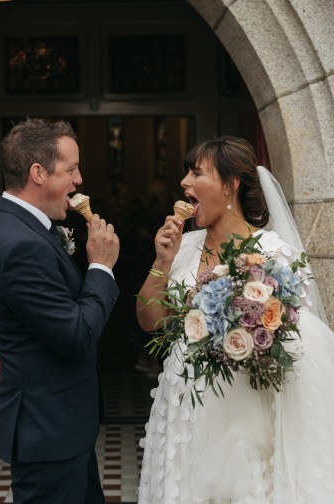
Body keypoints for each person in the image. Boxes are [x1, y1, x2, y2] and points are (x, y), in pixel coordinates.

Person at [136, 136, 334, 503]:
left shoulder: (274, 254)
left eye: (196, 173)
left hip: (243, 417)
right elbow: (150, 322)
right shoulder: (184, 247)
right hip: (182, 408)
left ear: (230, 185)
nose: (184, 183)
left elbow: (300, 351)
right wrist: (162, 261)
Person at [0, 118, 120, 504]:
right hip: (48, 432)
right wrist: (101, 267)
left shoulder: (26, 228)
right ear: (38, 172)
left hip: (62, 428)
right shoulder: (19, 244)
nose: (79, 180)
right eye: (71, 169)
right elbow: (75, 337)